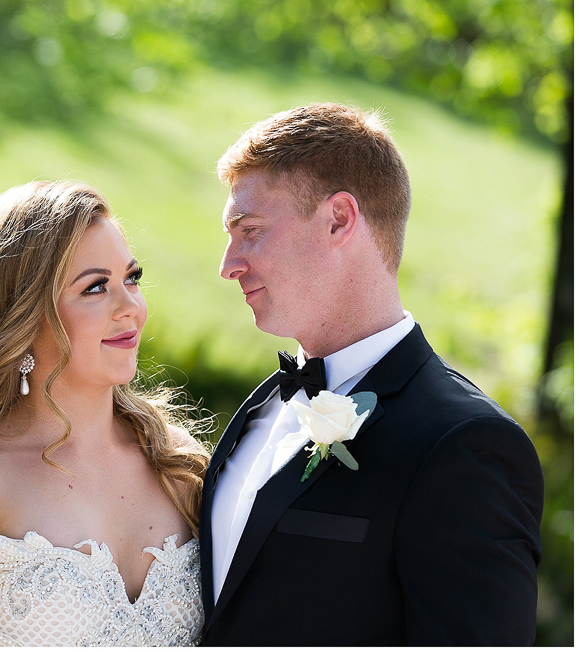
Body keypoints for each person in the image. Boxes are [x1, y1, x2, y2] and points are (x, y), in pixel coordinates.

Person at [200, 103, 544, 645]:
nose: (228, 264)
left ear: (339, 219)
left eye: (251, 231)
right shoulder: (261, 408)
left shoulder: (464, 446)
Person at [0, 180, 210, 645]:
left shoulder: (177, 462)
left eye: (131, 278)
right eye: (95, 288)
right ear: (22, 317)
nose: (130, 306)